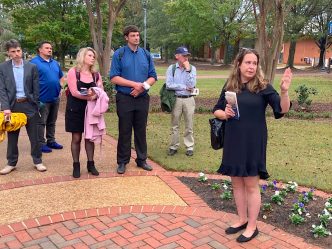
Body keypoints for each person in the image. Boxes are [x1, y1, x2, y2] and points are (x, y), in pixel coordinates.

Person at [213, 48, 292, 243]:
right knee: (237, 183)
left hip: (253, 141)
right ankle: (241, 219)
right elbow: (216, 109)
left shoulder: (263, 86)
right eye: (247, 62)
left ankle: (252, 226)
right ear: (239, 64)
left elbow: (281, 111)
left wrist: (284, 92)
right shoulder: (231, 84)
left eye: (254, 63)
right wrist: (225, 114)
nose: (251, 67)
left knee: (250, 184)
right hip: (233, 140)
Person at [110, 25, 157, 174]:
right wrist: (134, 85)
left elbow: (153, 76)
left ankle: (141, 159)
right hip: (125, 98)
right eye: (133, 35)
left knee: (140, 130)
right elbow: (114, 77)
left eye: (137, 35)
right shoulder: (120, 54)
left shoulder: (146, 54)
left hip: (142, 98)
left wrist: (142, 87)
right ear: (126, 37)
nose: (136, 38)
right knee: (124, 130)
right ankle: (122, 161)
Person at [0, 39, 47, 174]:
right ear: (8, 53)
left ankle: (38, 161)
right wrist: (5, 107)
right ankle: (11, 163)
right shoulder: (3, 67)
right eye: (13, 52)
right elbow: (2, 89)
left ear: (22, 50)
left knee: (35, 136)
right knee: (12, 136)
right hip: (12, 106)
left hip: (29, 104)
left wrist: (36, 104)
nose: (16, 54)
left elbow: (36, 88)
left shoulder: (31, 67)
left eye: (18, 50)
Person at [65, 47, 103, 178]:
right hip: (75, 109)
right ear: (82, 57)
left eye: (94, 56)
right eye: (90, 55)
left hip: (91, 110)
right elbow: (74, 92)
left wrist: (95, 95)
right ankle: (76, 165)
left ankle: (91, 164)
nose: (93, 58)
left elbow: (100, 91)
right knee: (76, 138)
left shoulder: (96, 74)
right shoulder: (73, 72)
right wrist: (90, 96)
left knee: (90, 138)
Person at [30, 41, 64, 153]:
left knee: (52, 122)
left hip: (55, 98)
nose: (50, 50)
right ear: (40, 50)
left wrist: (61, 88)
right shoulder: (33, 63)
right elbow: (28, 81)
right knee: (41, 122)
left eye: (50, 48)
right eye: (47, 48)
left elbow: (60, 77)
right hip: (41, 99)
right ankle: (40, 143)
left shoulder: (55, 63)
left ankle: (51, 141)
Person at [166, 46, 197, 156]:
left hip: (189, 100)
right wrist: (183, 87)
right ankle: (174, 146)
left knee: (189, 124)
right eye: (184, 55)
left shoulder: (192, 68)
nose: (186, 58)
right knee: (175, 125)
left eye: (187, 55)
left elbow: (192, 85)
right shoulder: (171, 68)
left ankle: (189, 147)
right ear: (177, 56)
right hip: (176, 99)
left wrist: (188, 70)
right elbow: (169, 85)